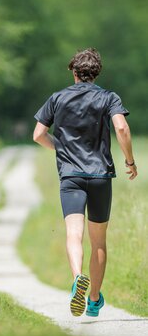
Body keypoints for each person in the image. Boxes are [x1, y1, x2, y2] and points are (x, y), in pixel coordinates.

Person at [33, 48, 137, 317]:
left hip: (71, 176)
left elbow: (38, 135)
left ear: (74, 72)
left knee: (73, 234)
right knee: (99, 241)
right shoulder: (108, 97)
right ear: (97, 72)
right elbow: (122, 128)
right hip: (101, 175)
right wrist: (129, 161)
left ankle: (78, 277)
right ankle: (92, 301)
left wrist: (61, 148)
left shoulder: (57, 98)